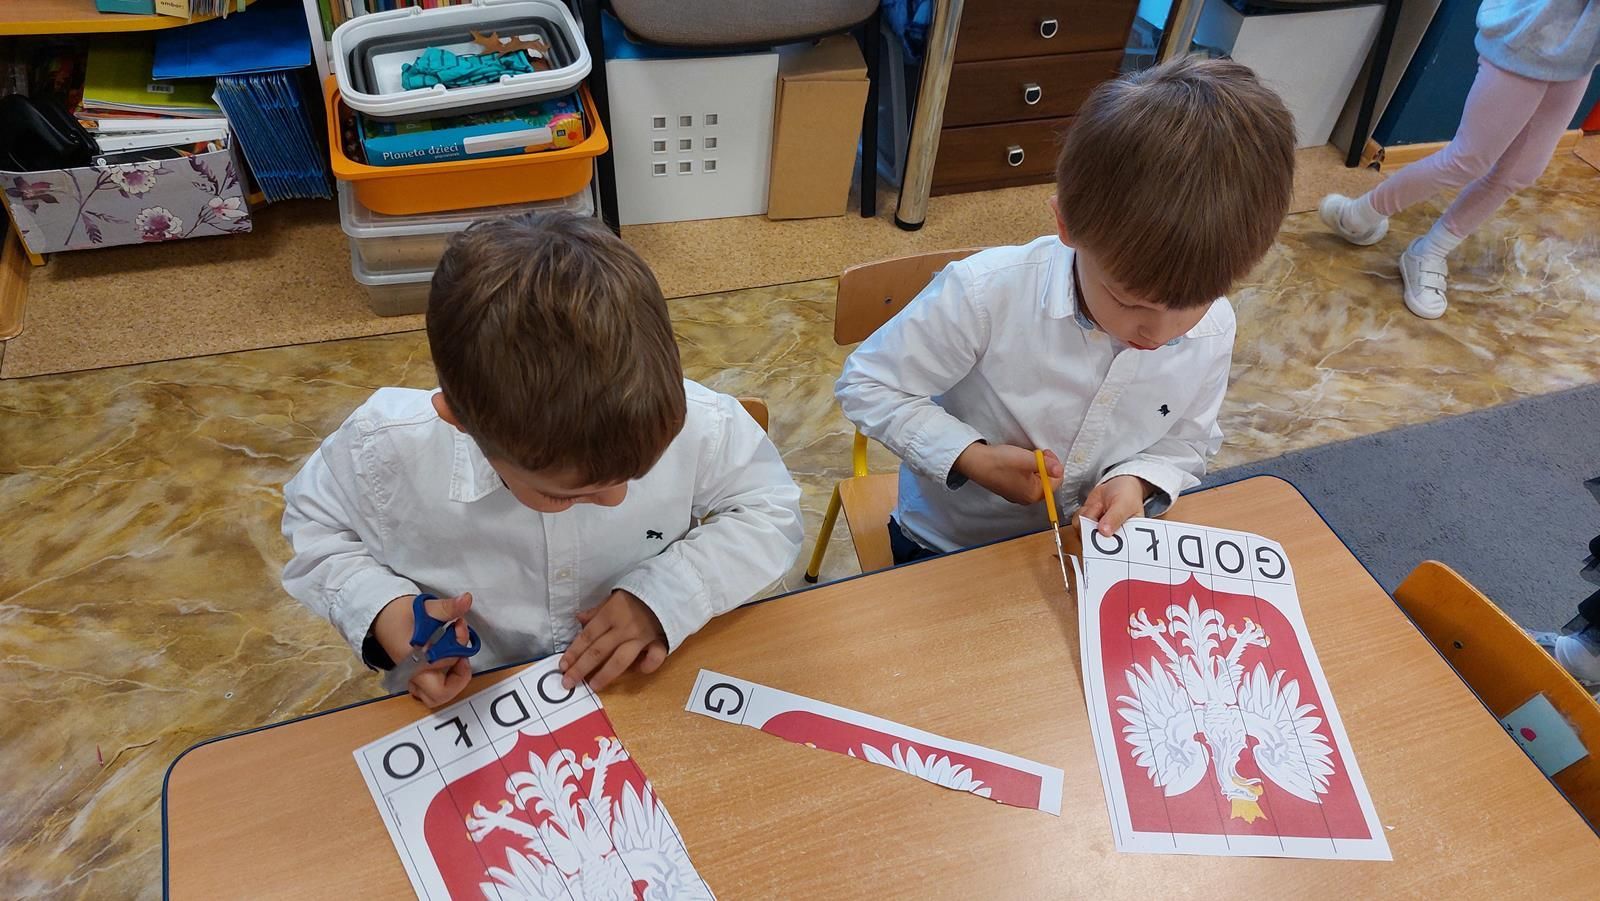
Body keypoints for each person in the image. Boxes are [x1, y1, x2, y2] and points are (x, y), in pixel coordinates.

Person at [281, 212, 804, 707]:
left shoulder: (701, 423)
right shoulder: (383, 447)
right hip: (477, 693)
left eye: (636, 475)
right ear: (461, 422)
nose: (616, 500)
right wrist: (381, 609)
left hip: (636, 686)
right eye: (566, 494)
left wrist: (667, 595)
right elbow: (316, 528)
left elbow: (770, 509)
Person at [835, 56, 1296, 562]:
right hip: (950, 544)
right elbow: (867, 385)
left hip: (1088, 552)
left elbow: (1187, 442)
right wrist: (970, 457)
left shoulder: (1215, 327)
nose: (1160, 333)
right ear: (1066, 225)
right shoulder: (986, 295)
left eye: (1192, 304)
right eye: (1130, 301)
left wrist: (1137, 480)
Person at [1320, 0, 1600, 319]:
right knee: (1467, 160)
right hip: (1528, 38)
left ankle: (1429, 252)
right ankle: (1359, 214)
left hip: (1577, 56)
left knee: (1520, 173)